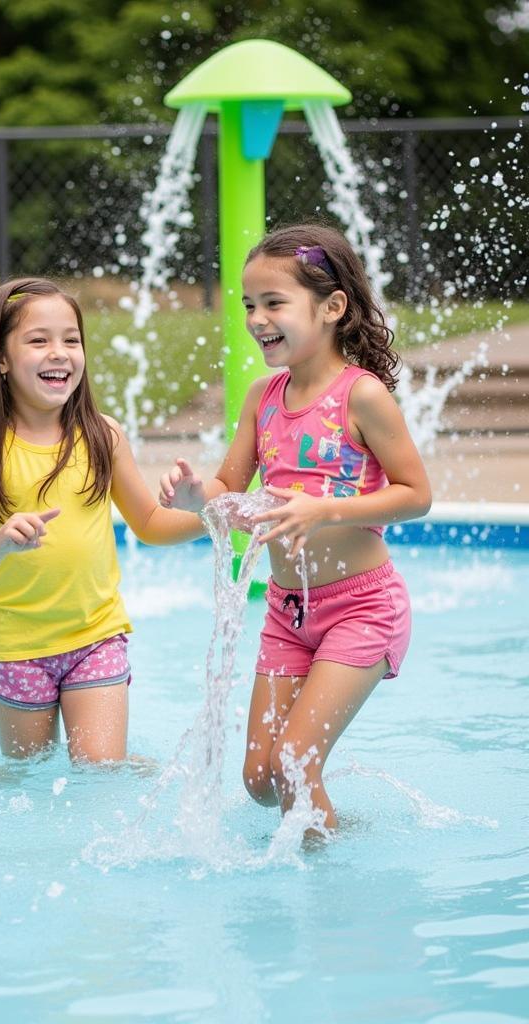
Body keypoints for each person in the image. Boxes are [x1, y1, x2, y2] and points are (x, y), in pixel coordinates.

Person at [159, 223, 432, 833]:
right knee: (259, 780)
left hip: (363, 608)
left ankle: (324, 894)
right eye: (250, 305)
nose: (257, 319)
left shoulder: (362, 396)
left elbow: (416, 495)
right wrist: (196, 495)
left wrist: (323, 508)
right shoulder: (264, 396)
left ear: (333, 307)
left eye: (274, 303)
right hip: (290, 612)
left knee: (293, 765)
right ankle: (332, 828)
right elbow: (229, 487)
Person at [0, 278, 204, 765]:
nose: (59, 353)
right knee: (27, 779)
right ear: (0, 359)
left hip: (95, 635)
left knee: (102, 769)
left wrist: (205, 515)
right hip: (15, 645)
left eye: (71, 340)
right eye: (38, 341)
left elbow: (148, 523)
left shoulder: (103, 435)